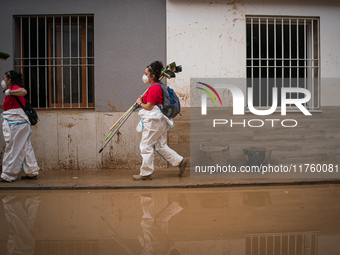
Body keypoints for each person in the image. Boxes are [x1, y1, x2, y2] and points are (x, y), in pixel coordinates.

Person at [133, 61, 188, 181]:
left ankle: (145, 174)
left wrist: (140, 103)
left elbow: (149, 106)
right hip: (160, 121)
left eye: (146, 73)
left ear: (152, 76)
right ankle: (180, 161)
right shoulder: (156, 86)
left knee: (146, 146)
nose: (144, 75)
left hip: (153, 121)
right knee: (160, 145)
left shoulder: (154, 88)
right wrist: (143, 99)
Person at [0, 70, 40, 182]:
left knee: (14, 148)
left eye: (4, 79)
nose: (3, 81)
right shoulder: (10, 91)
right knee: (25, 147)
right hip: (19, 123)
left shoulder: (14, 88)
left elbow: (23, 92)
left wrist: (9, 92)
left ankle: (8, 175)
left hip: (16, 123)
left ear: (9, 80)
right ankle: (32, 171)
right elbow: (7, 106)